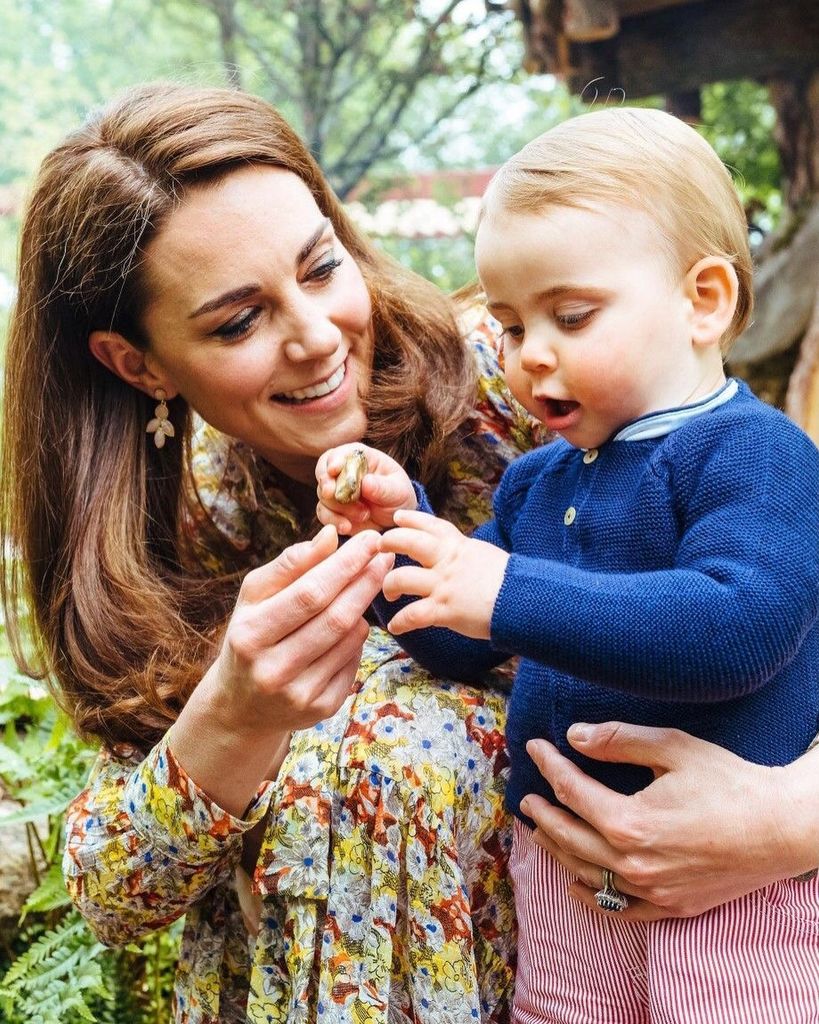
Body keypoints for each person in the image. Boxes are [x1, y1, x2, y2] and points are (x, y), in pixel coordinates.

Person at [1, 81, 542, 1024]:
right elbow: (112, 894)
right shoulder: (190, 527)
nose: (317, 335)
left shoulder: (525, 383)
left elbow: (773, 582)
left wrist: (784, 820)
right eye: (238, 321)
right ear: (139, 364)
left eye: (322, 267)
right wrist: (234, 718)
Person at [316, 107, 819, 1023]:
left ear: (702, 300)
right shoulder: (537, 482)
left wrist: (503, 588)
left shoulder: (754, 456)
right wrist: (397, 543)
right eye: (507, 324)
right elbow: (467, 644)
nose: (527, 353)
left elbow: (737, 627)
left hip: (735, 896)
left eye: (571, 314)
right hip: (562, 879)